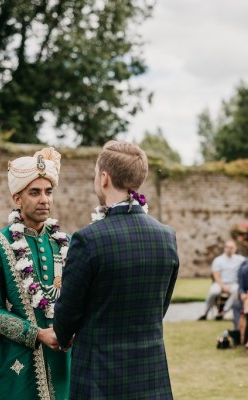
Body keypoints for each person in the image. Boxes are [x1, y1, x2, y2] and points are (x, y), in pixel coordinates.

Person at [53, 141, 179, 399]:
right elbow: (161, 306)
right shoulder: (167, 236)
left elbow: (67, 313)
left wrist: (63, 336)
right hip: (150, 371)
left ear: (104, 178)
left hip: (99, 374)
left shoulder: (88, 239)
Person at [0, 147, 70, 399]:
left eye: (48, 192)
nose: (44, 199)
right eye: (34, 193)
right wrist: (37, 333)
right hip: (16, 361)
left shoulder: (64, 242)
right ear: (17, 198)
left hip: (64, 359)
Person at [198, 240, 245, 320]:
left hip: (233, 283)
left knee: (236, 291)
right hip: (220, 283)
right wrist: (223, 286)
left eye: (231, 247)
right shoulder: (218, 260)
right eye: (227, 247)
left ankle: (223, 312)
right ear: (224, 248)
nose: (229, 249)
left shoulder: (240, 259)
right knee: (213, 292)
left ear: (235, 248)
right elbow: (216, 276)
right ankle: (205, 312)